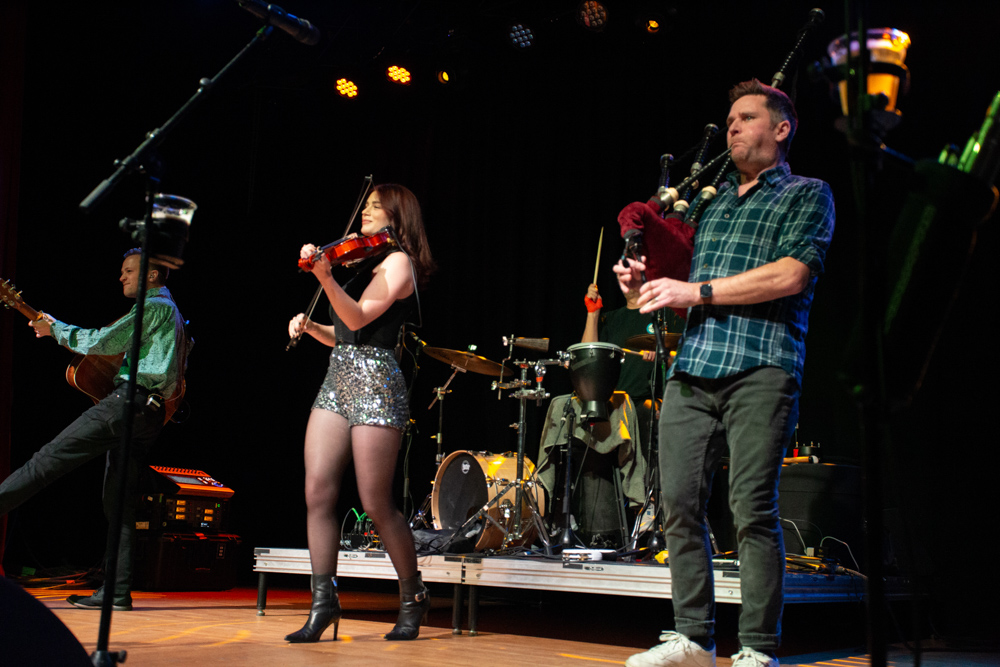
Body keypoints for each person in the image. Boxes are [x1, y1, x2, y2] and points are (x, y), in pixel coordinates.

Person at [615, 79, 835, 667]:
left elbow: (791, 275)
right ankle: (693, 637)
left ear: (780, 129)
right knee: (679, 503)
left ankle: (759, 647)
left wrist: (695, 289)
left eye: (745, 118)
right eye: (730, 120)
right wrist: (642, 287)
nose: (732, 128)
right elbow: (683, 296)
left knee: (751, 507)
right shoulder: (711, 206)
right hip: (697, 368)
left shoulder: (808, 194)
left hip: (763, 365)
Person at [285, 183, 436, 643]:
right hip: (338, 378)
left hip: (375, 384)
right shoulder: (365, 260)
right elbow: (344, 332)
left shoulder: (399, 263)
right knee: (317, 490)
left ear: (397, 216)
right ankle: (323, 601)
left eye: (375, 208)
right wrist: (312, 326)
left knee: (374, 501)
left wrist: (325, 277)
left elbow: (359, 319)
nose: (365, 215)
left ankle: (413, 596)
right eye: (366, 206)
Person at [0, 248, 190, 611]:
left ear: (152, 275)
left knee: (45, 462)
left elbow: (103, 342)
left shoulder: (154, 307)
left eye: (129, 270)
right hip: (149, 415)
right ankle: (117, 592)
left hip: (129, 405)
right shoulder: (171, 311)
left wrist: (55, 330)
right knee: (118, 504)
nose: (121, 276)